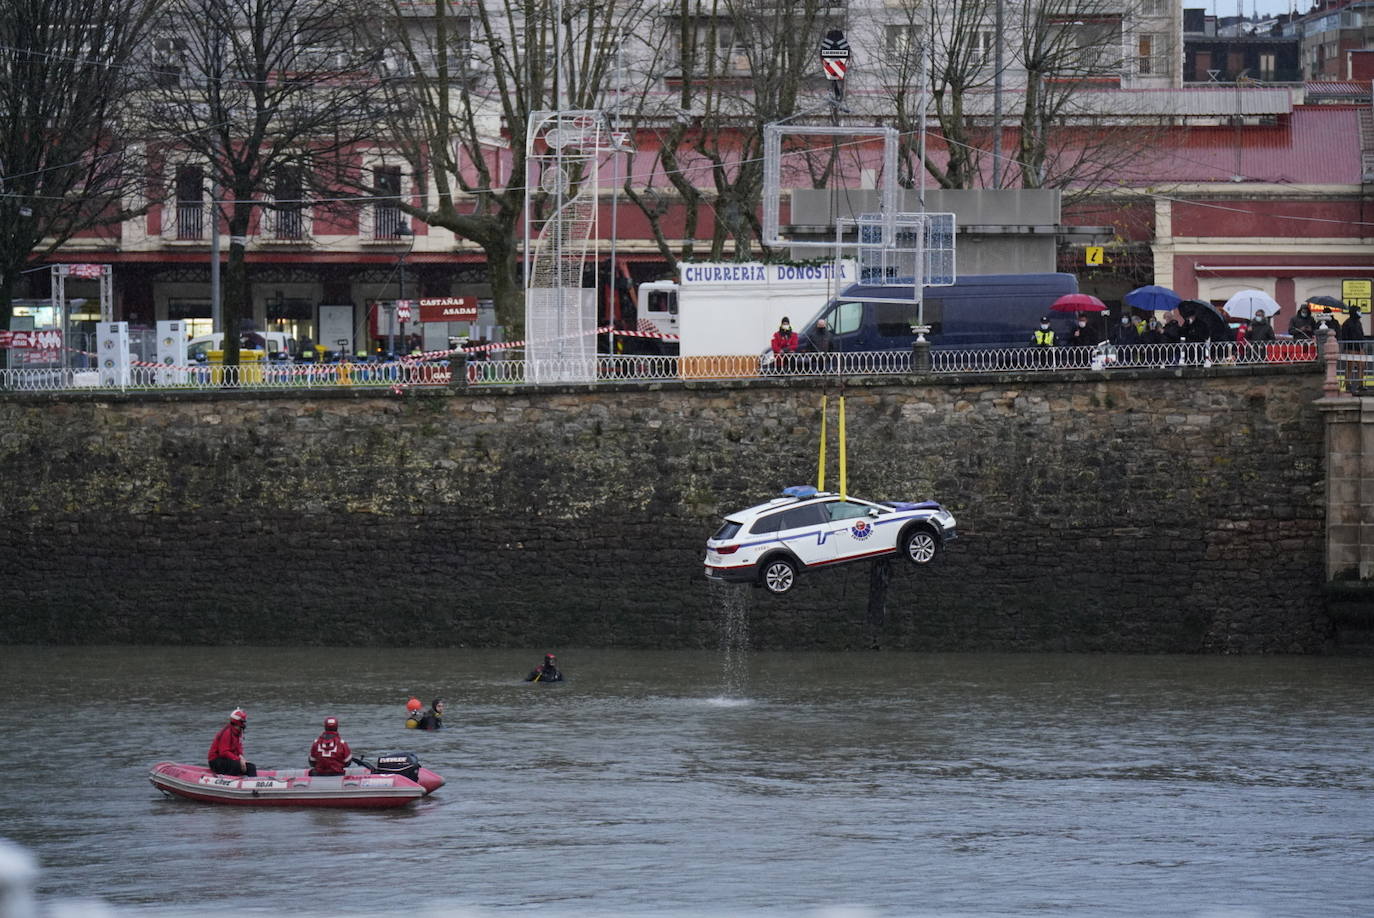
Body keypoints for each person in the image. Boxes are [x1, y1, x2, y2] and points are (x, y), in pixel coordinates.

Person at [207, 708, 256, 777]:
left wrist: (242, 759)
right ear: (238, 722)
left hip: (229, 759)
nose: (244, 724)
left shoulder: (238, 733)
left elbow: (239, 748)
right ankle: (230, 782)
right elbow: (223, 752)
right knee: (236, 765)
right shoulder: (227, 732)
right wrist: (238, 760)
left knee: (251, 767)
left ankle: (253, 784)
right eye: (242, 722)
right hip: (216, 761)